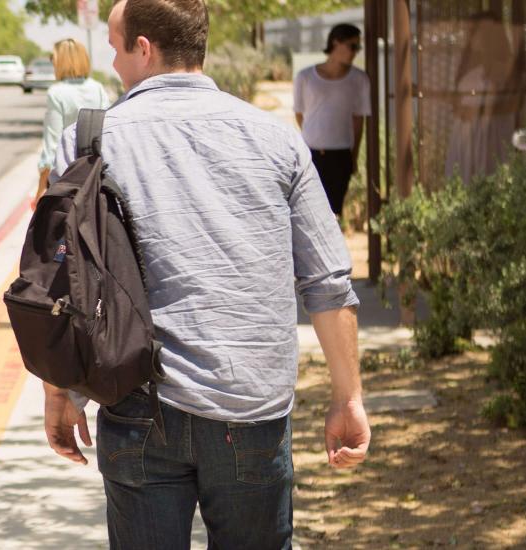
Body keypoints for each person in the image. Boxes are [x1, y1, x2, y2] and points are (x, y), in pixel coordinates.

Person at [43, 2, 372, 548]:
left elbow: (62, 280)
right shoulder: (276, 139)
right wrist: (348, 397)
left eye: (115, 43)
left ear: (143, 48)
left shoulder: (89, 140)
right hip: (251, 405)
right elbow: (326, 280)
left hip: (137, 400)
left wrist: (62, 392)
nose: (111, 56)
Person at [293, 23, 371, 217]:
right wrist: (314, 136)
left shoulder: (359, 79)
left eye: (358, 48)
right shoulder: (305, 77)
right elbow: (299, 113)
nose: (355, 52)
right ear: (336, 43)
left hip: (341, 155)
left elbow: (358, 121)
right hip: (311, 155)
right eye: (352, 46)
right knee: (309, 214)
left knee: (333, 214)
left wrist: (354, 157)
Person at [37, 38, 115, 202]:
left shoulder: (56, 93)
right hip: (95, 173)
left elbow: (52, 143)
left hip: (66, 176)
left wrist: (41, 186)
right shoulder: (98, 88)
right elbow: (108, 129)